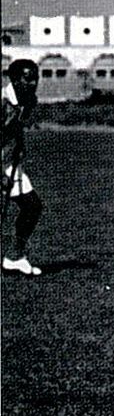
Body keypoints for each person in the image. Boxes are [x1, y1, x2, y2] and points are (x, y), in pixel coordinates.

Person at [2, 59, 45, 276]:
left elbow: (15, 127)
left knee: (32, 206)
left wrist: (18, 147)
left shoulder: (28, 99)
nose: (33, 83)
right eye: (28, 78)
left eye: (36, 78)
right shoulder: (2, 101)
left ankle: (14, 257)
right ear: (14, 79)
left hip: (10, 161)